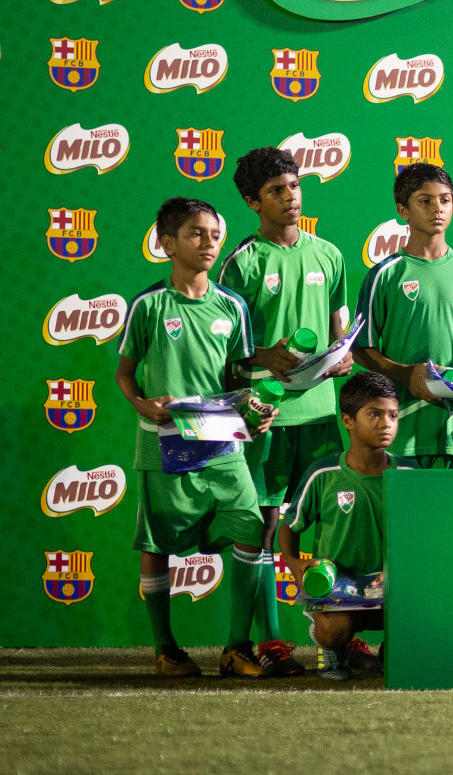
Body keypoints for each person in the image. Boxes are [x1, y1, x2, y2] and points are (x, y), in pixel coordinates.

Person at [115, 197, 269, 677]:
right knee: (157, 544)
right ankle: (166, 649)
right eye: (196, 234)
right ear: (167, 244)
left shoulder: (232, 306)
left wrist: (255, 411)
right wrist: (142, 404)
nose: (209, 242)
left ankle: (236, 647)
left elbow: (238, 377)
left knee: (250, 527)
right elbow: (124, 373)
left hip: (222, 440)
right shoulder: (149, 305)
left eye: (215, 234)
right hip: (164, 444)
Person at [220, 146, 351, 676]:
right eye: (276, 191)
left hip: (323, 416)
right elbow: (222, 351)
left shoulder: (329, 254)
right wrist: (260, 358)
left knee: (325, 531)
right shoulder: (241, 262)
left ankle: (336, 633)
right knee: (266, 526)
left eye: (294, 186)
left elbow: (340, 326)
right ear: (253, 201)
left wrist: (341, 358)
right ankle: (268, 639)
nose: (290, 197)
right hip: (268, 417)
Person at [355, 163, 453, 468]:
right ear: (403, 210)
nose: (437, 208)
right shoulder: (384, 274)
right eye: (425, 201)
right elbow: (360, 349)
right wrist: (406, 374)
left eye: (445, 200)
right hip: (403, 430)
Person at [280, 373, 415, 680]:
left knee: (419, 624)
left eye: (392, 415)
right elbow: (289, 527)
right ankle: (331, 649)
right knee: (334, 630)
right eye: (374, 414)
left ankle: (392, 651)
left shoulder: (409, 472)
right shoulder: (323, 473)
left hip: (393, 584)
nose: (386, 423)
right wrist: (295, 564)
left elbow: (425, 533)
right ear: (348, 420)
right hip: (341, 587)